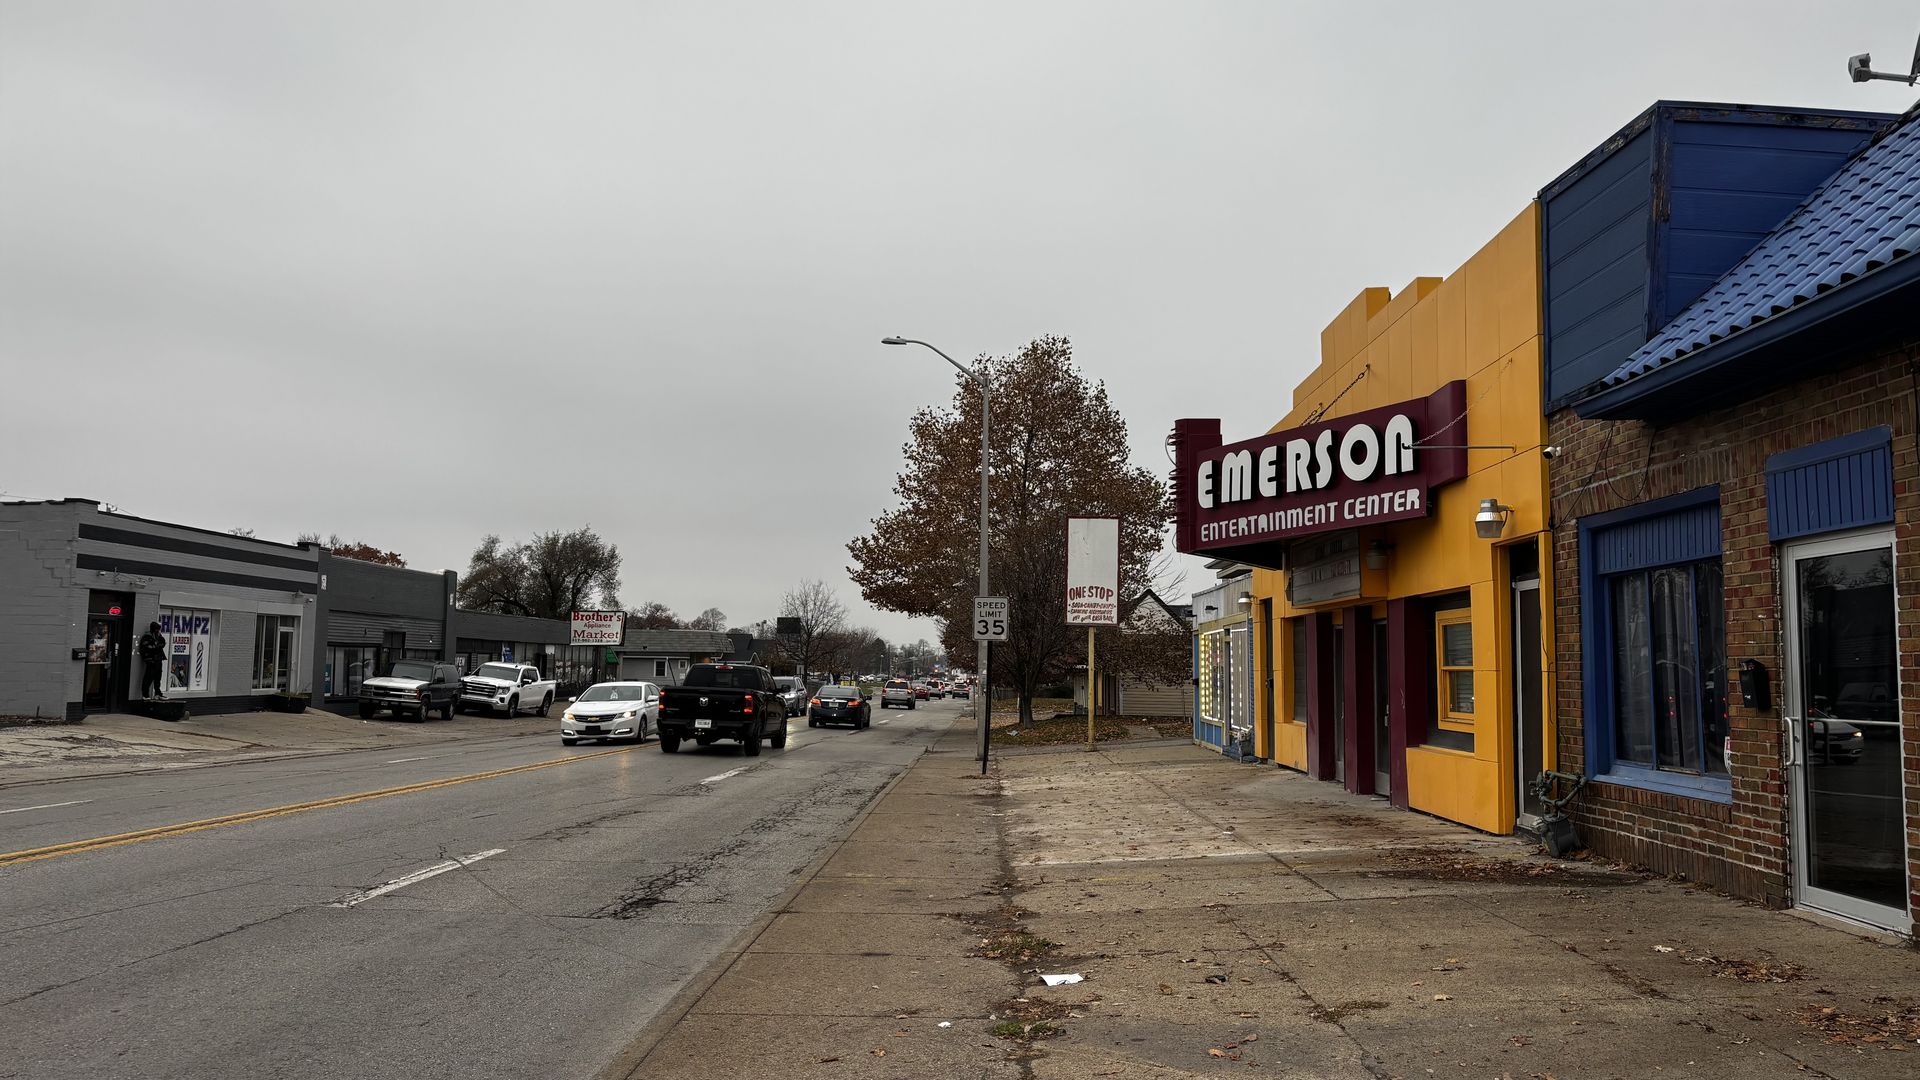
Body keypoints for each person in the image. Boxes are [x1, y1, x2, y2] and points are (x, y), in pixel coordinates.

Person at [137, 621, 166, 700]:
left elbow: (163, 642)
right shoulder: (147, 636)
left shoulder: (159, 635)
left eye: (158, 629)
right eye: (157, 629)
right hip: (150, 659)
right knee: (148, 677)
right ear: (153, 629)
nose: (158, 631)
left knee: (158, 678)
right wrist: (156, 646)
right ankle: (145, 695)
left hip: (158, 659)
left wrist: (156, 646)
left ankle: (158, 693)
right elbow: (147, 647)